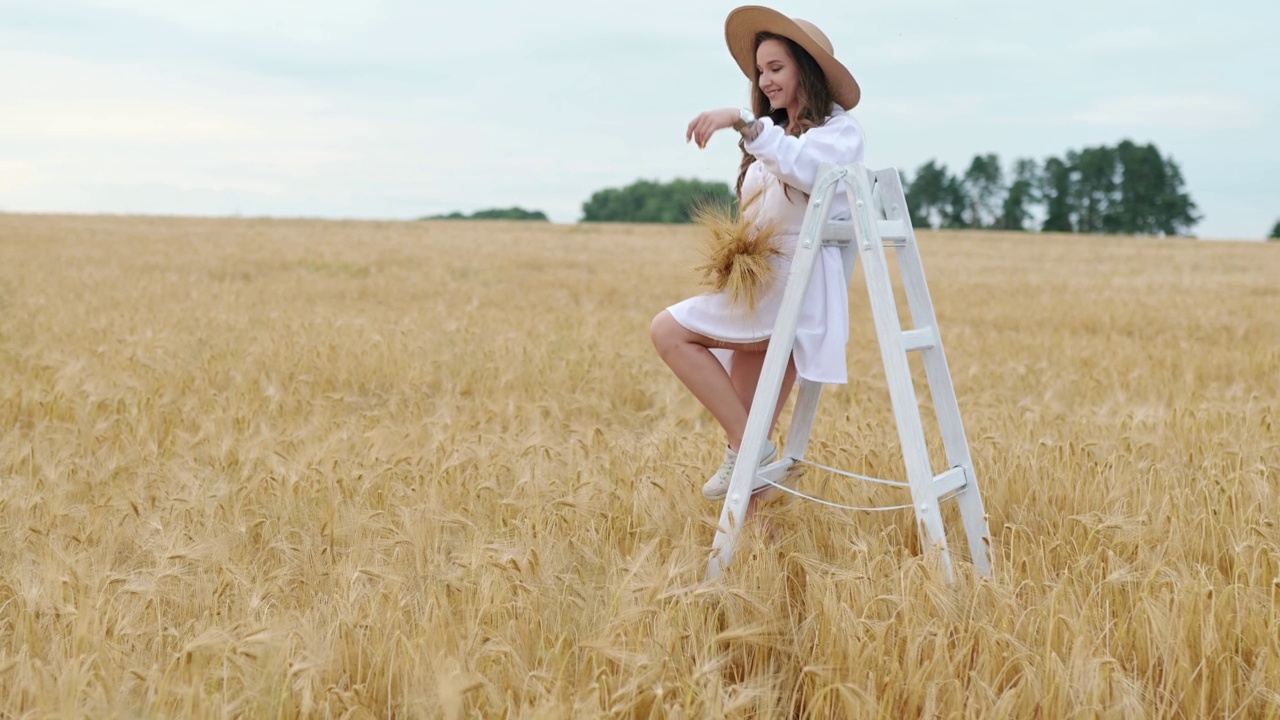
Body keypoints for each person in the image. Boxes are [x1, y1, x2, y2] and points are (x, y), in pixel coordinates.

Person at [650, 6, 866, 502]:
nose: (765, 80)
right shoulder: (774, 134)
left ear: (805, 70)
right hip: (760, 289)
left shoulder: (837, 133)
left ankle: (751, 453)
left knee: (667, 330)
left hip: (795, 291)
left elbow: (809, 172)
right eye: (761, 70)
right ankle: (759, 557)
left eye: (777, 68)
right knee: (745, 431)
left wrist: (744, 123)